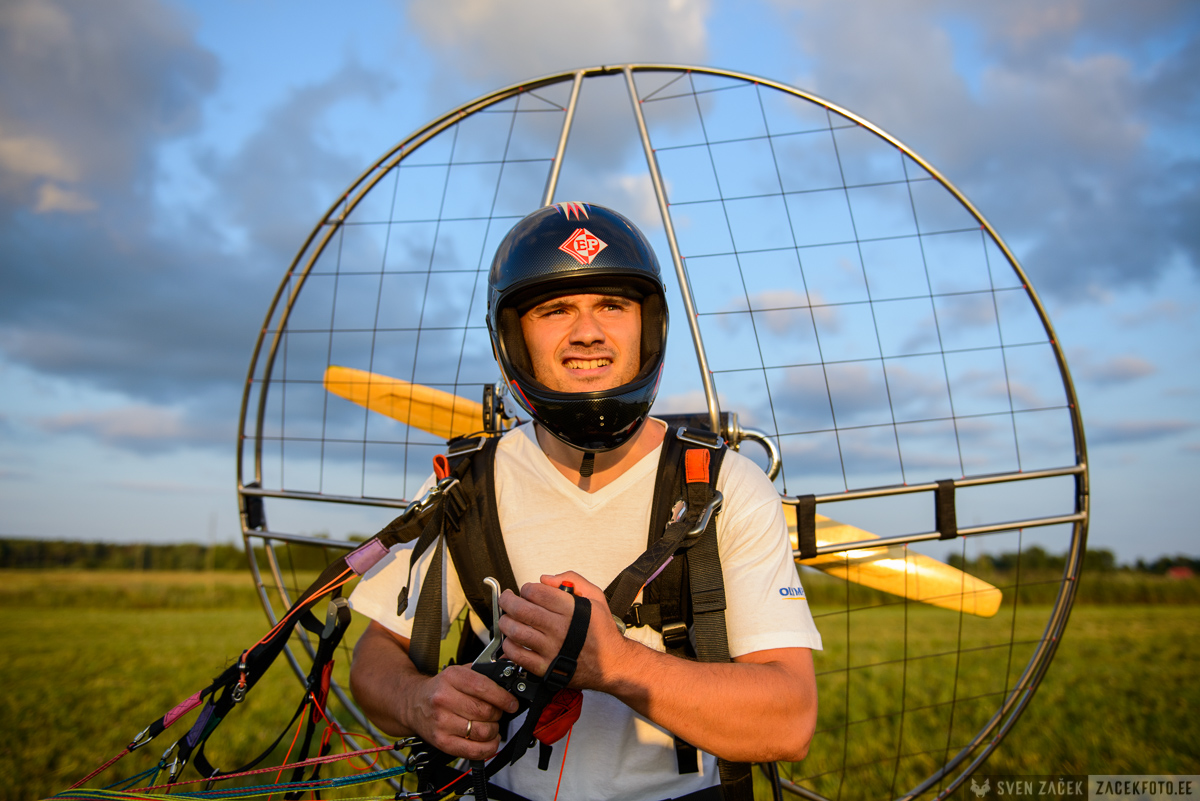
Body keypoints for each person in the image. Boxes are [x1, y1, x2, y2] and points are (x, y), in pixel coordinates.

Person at [347, 202, 822, 801]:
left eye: (612, 306)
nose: (588, 332)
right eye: (555, 310)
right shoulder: (465, 485)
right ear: (513, 338)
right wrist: (418, 702)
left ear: (648, 326)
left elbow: (791, 720)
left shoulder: (727, 486)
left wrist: (618, 663)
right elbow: (373, 658)